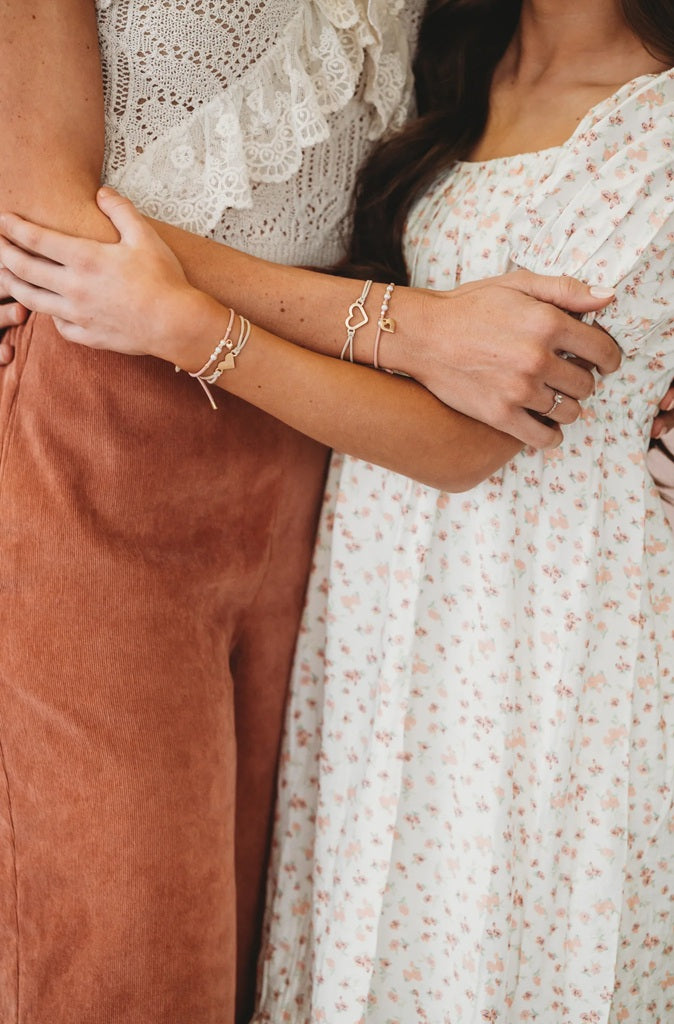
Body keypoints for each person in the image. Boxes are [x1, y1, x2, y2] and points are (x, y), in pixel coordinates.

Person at [3, 0, 672, 1021]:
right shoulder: (469, 67)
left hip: (416, 548)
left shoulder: (583, 99)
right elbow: (48, 220)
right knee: (141, 958)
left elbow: (491, 421)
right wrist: (392, 329)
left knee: (300, 946)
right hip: (190, 463)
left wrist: (201, 323)